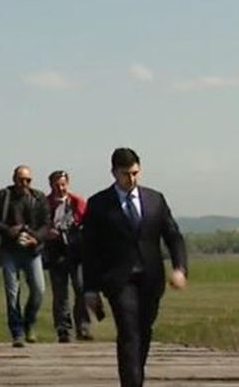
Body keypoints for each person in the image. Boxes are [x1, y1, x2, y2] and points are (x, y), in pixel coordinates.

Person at [81, 147, 189, 387]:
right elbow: (89, 250)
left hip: (151, 278)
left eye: (135, 173)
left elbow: (173, 236)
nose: (131, 179)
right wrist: (90, 289)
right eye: (125, 174)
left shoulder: (155, 199)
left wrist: (180, 268)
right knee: (129, 331)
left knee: (143, 330)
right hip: (119, 280)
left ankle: (135, 375)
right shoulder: (99, 204)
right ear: (114, 173)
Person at [0, 165, 51, 347]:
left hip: (32, 251)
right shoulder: (3, 196)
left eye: (28, 180)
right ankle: (17, 332)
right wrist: (8, 230)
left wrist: (36, 238)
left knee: (39, 290)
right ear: (14, 179)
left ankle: (29, 322)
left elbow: (46, 224)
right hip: (10, 250)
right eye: (21, 179)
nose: (24, 183)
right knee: (12, 293)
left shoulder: (38, 198)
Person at [44, 169, 92, 342]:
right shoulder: (45, 203)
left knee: (81, 289)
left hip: (76, 252)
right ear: (51, 185)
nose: (60, 188)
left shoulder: (77, 202)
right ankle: (63, 329)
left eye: (63, 184)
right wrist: (47, 233)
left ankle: (83, 327)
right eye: (57, 185)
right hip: (55, 252)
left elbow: (88, 223)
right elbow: (38, 224)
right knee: (60, 293)